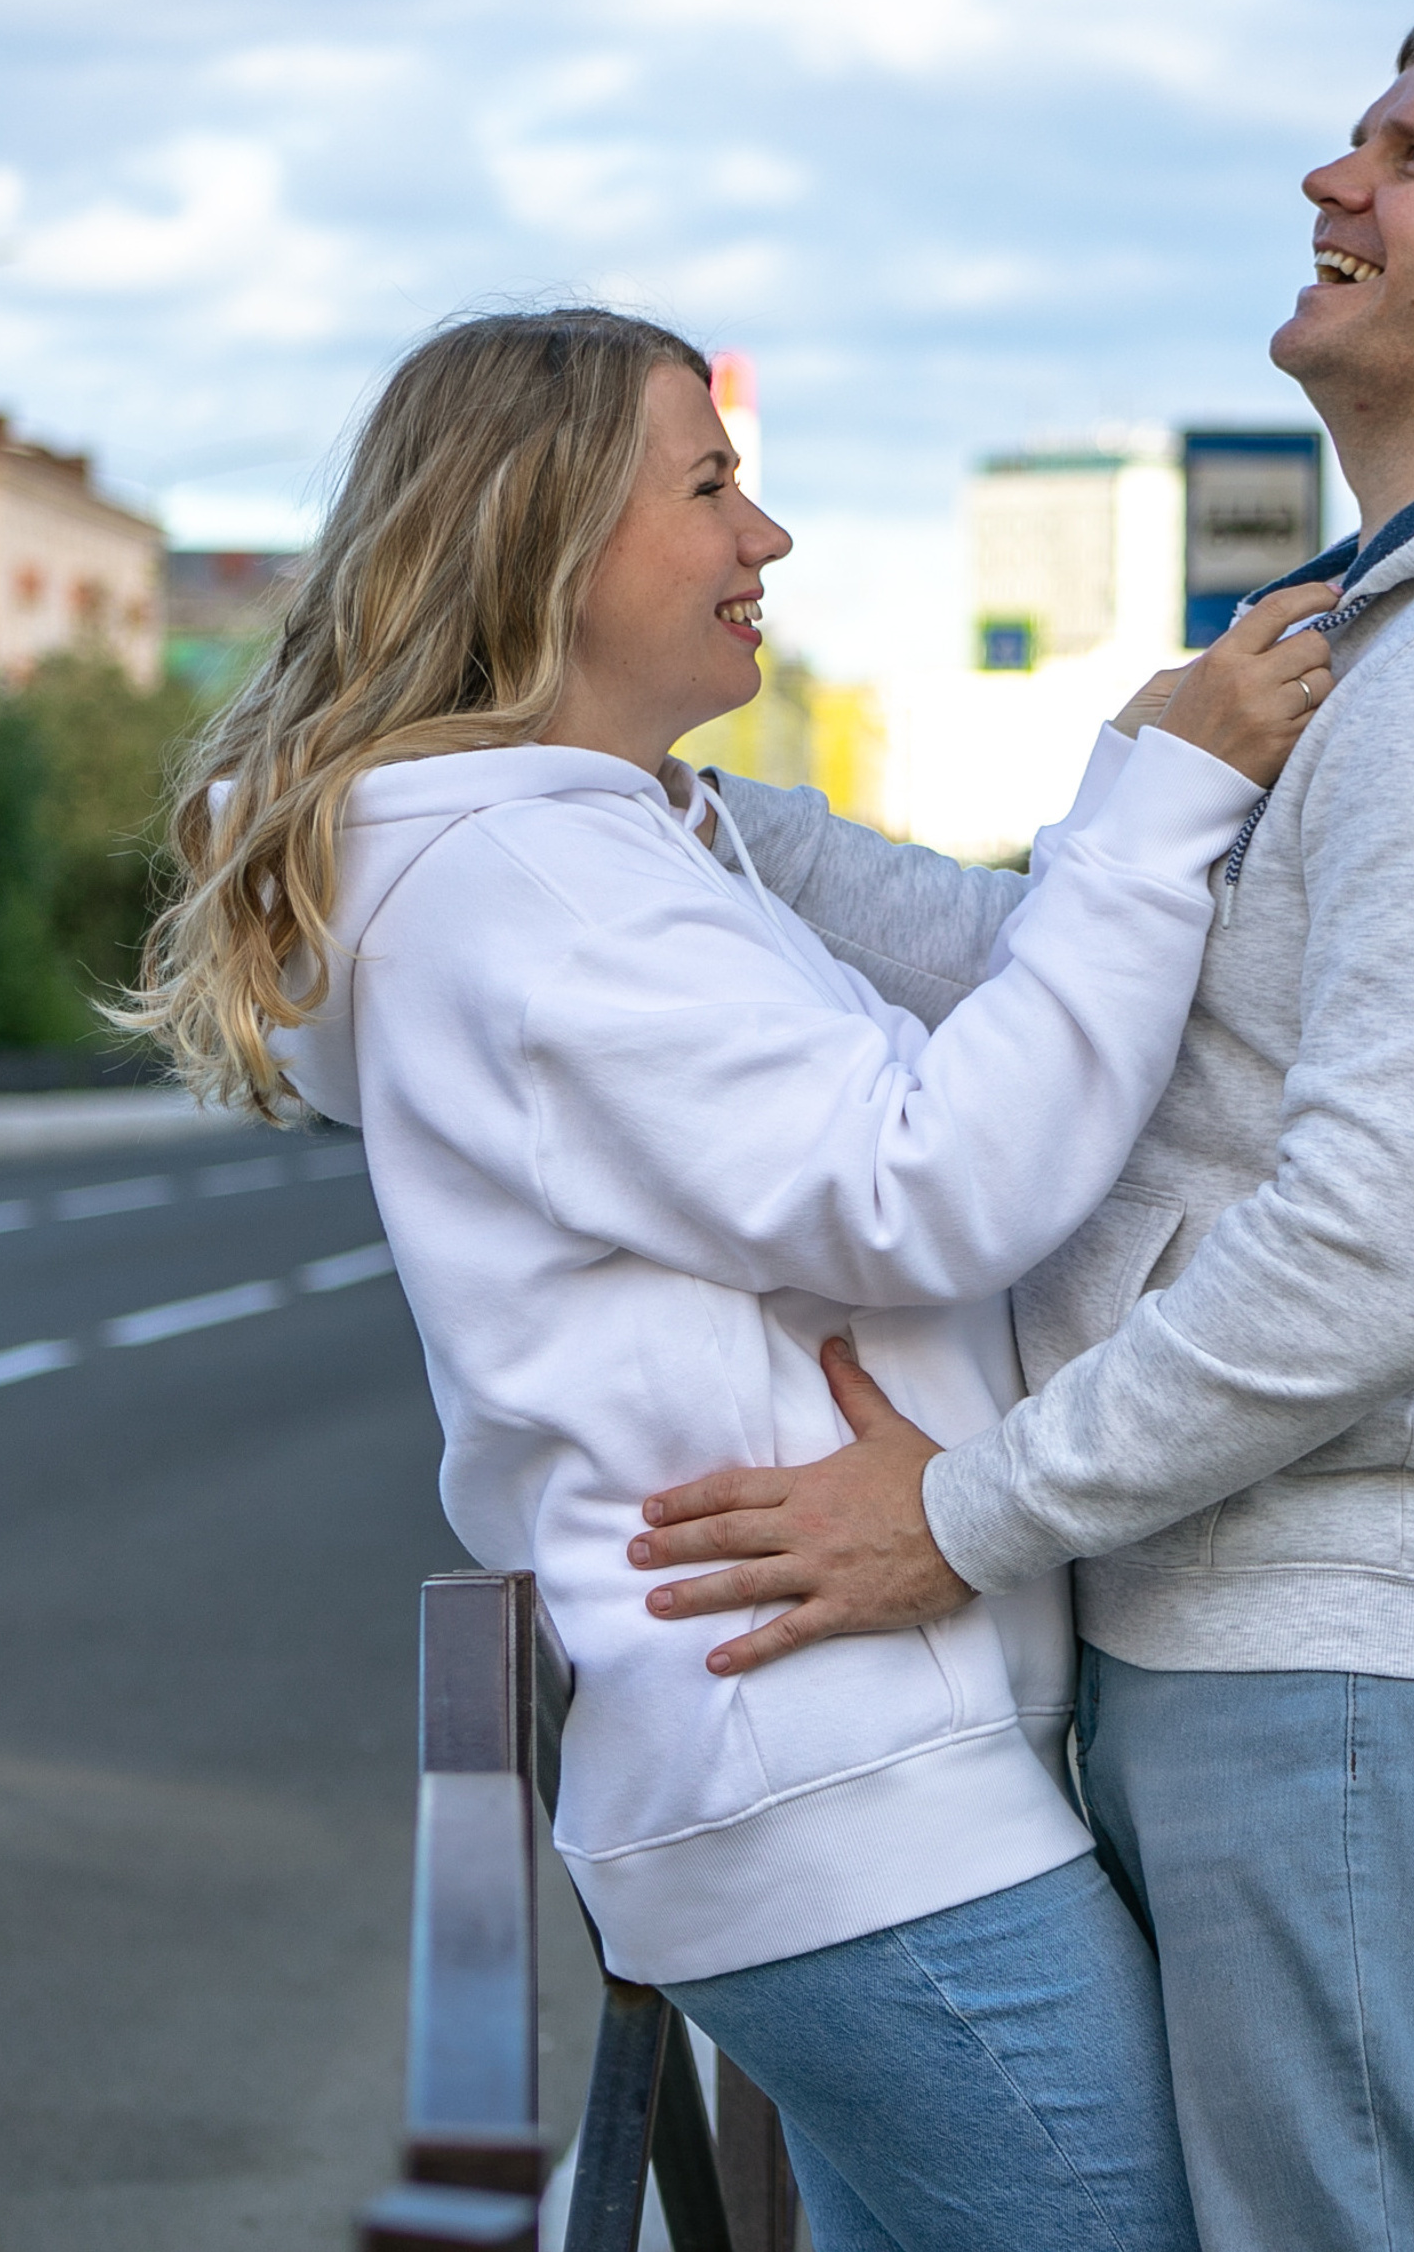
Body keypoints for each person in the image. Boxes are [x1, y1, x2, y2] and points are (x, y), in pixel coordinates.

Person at [629, 0, 1414, 2252]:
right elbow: (1087, 979)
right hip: (1256, 1636)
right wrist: (698, 822)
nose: (1326, 180)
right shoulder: (1383, 635)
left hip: (1354, 1657)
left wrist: (952, 1514)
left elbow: (1367, 1247)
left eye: (1410, 153)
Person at [126, 305, 1341, 2252]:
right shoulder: (538, 891)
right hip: (844, 1787)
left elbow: (943, 1045)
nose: (762, 537)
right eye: (707, 486)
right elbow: (927, 1179)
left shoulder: (605, 846)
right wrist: (1155, 801)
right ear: (540, 534)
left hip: (858, 1759)